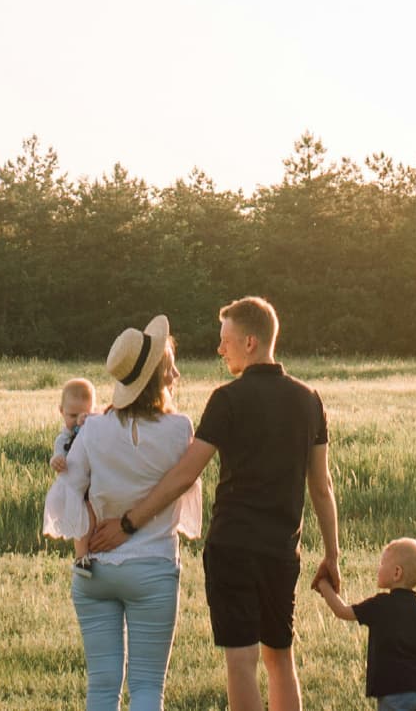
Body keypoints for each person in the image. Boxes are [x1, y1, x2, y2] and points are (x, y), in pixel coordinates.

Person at [92, 296, 341, 711]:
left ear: (249, 342)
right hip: (283, 551)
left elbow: (185, 474)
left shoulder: (227, 399)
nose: (219, 349)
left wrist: (129, 522)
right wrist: (332, 554)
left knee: (241, 661)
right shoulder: (309, 399)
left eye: (225, 340)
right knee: (280, 657)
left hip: (233, 549)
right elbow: (322, 486)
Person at [45, 315, 204, 711]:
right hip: (153, 568)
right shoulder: (180, 428)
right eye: (171, 367)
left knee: (100, 689)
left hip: (95, 568)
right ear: (158, 378)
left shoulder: (94, 429)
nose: (177, 374)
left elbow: (69, 489)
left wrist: (86, 531)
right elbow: (183, 489)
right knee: (148, 687)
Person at [315, 538, 416, 711]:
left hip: (394, 692)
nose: (379, 567)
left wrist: (323, 585)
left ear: (397, 573)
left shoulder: (380, 605)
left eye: (382, 563)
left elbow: (342, 611)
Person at [44, 377, 98, 575]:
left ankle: (98, 552)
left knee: (97, 517)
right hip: (76, 487)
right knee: (82, 521)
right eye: (72, 415)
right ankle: (81, 558)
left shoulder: (94, 428)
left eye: (84, 414)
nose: (77, 421)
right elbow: (57, 454)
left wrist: (91, 420)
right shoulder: (64, 438)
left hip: (94, 484)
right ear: (61, 411)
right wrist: (56, 461)